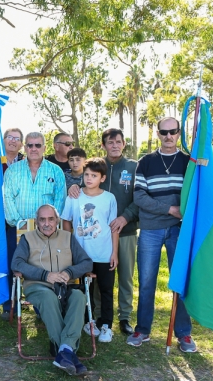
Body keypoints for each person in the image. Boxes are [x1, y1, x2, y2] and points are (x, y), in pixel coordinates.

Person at [127, 117, 196, 353]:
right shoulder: (145, 162)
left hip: (179, 230)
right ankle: (143, 330)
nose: (168, 136)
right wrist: (168, 209)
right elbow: (139, 197)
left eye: (173, 132)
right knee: (146, 282)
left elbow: (196, 194)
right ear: (158, 134)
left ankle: (184, 334)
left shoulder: (189, 162)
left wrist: (180, 214)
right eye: (164, 132)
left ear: (179, 133)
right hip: (151, 229)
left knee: (180, 281)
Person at [12, 204, 93, 376]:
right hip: (37, 286)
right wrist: (45, 275)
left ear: (57, 220)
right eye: (42, 220)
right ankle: (65, 349)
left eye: (51, 219)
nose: (46, 223)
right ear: (37, 221)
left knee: (79, 297)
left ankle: (63, 351)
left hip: (66, 285)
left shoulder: (68, 237)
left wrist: (69, 272)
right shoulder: (27, 238)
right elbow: (17, 264)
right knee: (48, 297)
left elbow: (86, 263)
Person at [2, 131, 66, 319]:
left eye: (38, 145)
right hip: (18, 229)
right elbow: (7, 198)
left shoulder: (55, 171)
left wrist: (47, 224)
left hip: (46, 231)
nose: (33, 149)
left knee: (43, 268)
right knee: (15, 266)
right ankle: (10, 305)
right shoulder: (13, 171)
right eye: (30, 145)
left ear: (45, 148)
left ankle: (41, 307)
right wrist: (19, 222)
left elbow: (59, 200)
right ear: (25, 147)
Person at [61, 158, 119, 343]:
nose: (89, 178)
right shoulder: (74, 196)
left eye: (94, 175)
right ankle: (89, 322)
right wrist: (69, 247)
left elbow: (113, 227)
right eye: (86, 174)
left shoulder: (109, 198)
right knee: (85, 289)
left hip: (104, 253)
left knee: (106, 290)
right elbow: (66, 220)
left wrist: (114, 253)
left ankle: (107, 326)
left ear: (102, 178)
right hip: (82, 255)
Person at [99, 128, 139, 336]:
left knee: (125, 277)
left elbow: (140, 197)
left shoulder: (134, 167)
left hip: (127, 231)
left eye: (118, 142)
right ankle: (98, 314)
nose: (114, 145)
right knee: (99, 276)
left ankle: (125, 317)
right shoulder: (96, 166)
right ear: (104, 145)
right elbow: (86, 187)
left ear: (124, 144)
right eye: (110, 142)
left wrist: (125, 217)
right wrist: (74, 188)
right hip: (100, 235)